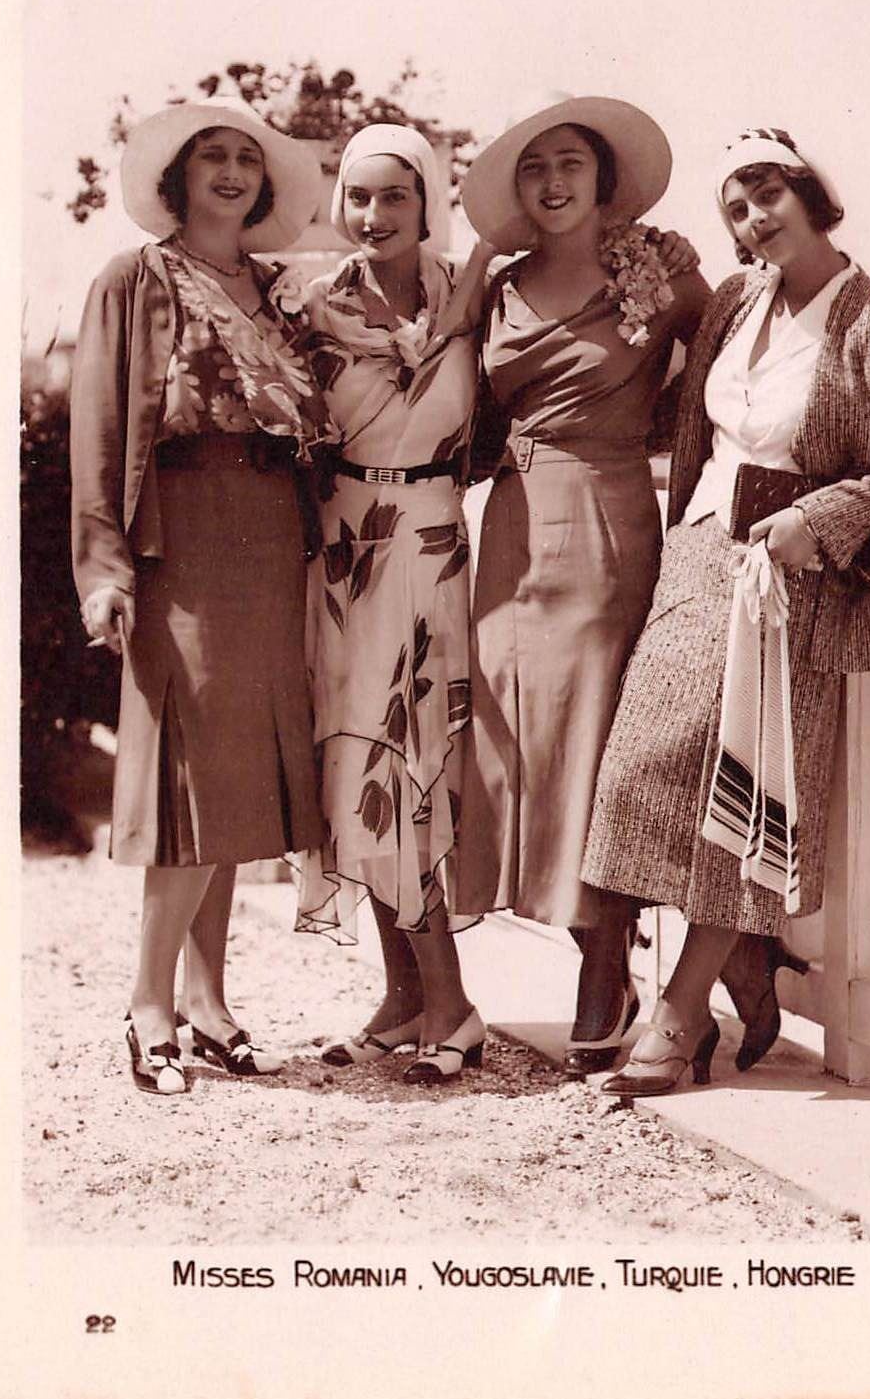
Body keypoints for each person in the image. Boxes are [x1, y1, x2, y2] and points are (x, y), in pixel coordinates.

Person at [580, 127, 870, 1096]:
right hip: (699, 559)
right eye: (735, 208)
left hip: (794, 587)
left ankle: (678, 1016)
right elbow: (695, 428)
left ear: (810, 192)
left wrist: (818, 517)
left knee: (743, 796)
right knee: (634, 776)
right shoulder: (736, 301)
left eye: (767, 195)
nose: (753, 219)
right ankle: (745, 961)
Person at [71, 96, 329, 1096]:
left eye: (245, 158)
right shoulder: (134, 278)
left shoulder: (276, 292)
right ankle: (149, 1005)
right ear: (178, 177)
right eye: (210, 156)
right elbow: (100, 430)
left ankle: (209, 1003)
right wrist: (103, 569)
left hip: (269, 537)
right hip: (179, 535)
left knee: (234, 779)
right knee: (190, 771)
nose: (229, 171)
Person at [454, 94, 710, 1075]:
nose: (552, 181)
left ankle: (603, 972)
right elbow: (448, 383)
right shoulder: (500, 286)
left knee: (595, 745)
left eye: (570, 163)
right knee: (515, 743)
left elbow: (729, 369)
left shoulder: (658, 274)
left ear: (604, 180)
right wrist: (478, 258)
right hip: (512, 526)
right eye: (534, 167)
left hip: (608, 522)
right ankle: (590, 951)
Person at [297, 124, 495, 1084]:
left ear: (427, 203)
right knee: (357, 763)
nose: (373, 215)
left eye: (394, 196)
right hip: (345, 550)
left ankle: (451, 1003)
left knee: (415, 767)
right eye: (359, 196)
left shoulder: (478, 295)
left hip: (433, 540)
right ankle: (408, 997)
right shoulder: (310, 307)